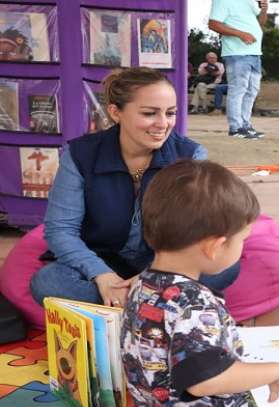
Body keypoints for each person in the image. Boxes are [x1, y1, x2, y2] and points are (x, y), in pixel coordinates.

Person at [122, 159, 279, 407]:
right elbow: (205, 380)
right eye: (242, 240)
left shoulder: (142, 284)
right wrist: (278, 370)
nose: (243, 247)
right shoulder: (194, 303)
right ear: (214, 247)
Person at [29, 68, 240, 308]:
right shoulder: (80, 156)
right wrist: (102, 275)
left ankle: (126, 309)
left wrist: (150, 278)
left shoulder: (190, 156)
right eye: (150, 113)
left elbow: (200, 230)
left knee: (226, 266)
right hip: (101, 259)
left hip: (166, 264)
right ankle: (151, 308)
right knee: (48, 282)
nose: (163, 124)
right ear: (115, 112)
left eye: (170, 113)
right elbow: (61, 230)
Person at [208, 0, 267, 139]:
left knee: (252, 91)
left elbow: (261, 23)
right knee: (238, 89)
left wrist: (264, 9)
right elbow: (213, 24)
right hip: (236, 53)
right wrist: (241, 34)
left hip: (255, 53)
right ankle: (235, 127)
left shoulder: (250, 1)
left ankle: (245, 125)